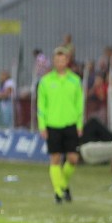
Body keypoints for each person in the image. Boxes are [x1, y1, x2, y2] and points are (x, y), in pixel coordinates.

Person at [37, 46, 84, 203]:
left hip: (70, 124)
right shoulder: (46, 81)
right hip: (52, 124)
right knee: (55, 158)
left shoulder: (75, 80)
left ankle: (62, 184)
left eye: (62, 59)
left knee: (72, 159)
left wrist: (79, 124)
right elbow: (41, 106)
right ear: (54, 61)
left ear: (67, 61)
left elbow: (79, 104)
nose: (60, 62)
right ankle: (59, 192)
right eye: (57, 60)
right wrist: (42, 125)